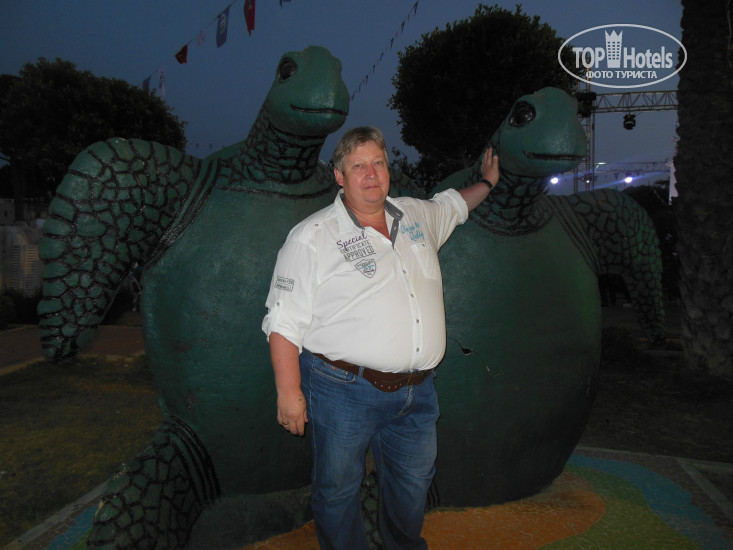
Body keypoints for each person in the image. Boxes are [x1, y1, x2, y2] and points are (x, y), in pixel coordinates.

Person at [262, 126, 498, 550]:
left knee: (413, 483)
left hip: (418, 393)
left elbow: (454, 204)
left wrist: (488, 182)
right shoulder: (311, 236)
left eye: (378, 163)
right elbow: (283, 320)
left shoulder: (416, 216)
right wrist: (288, 391)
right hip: (342, 390)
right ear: (339, 176)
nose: (371, 174)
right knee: (337, 489)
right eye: (358, 166)